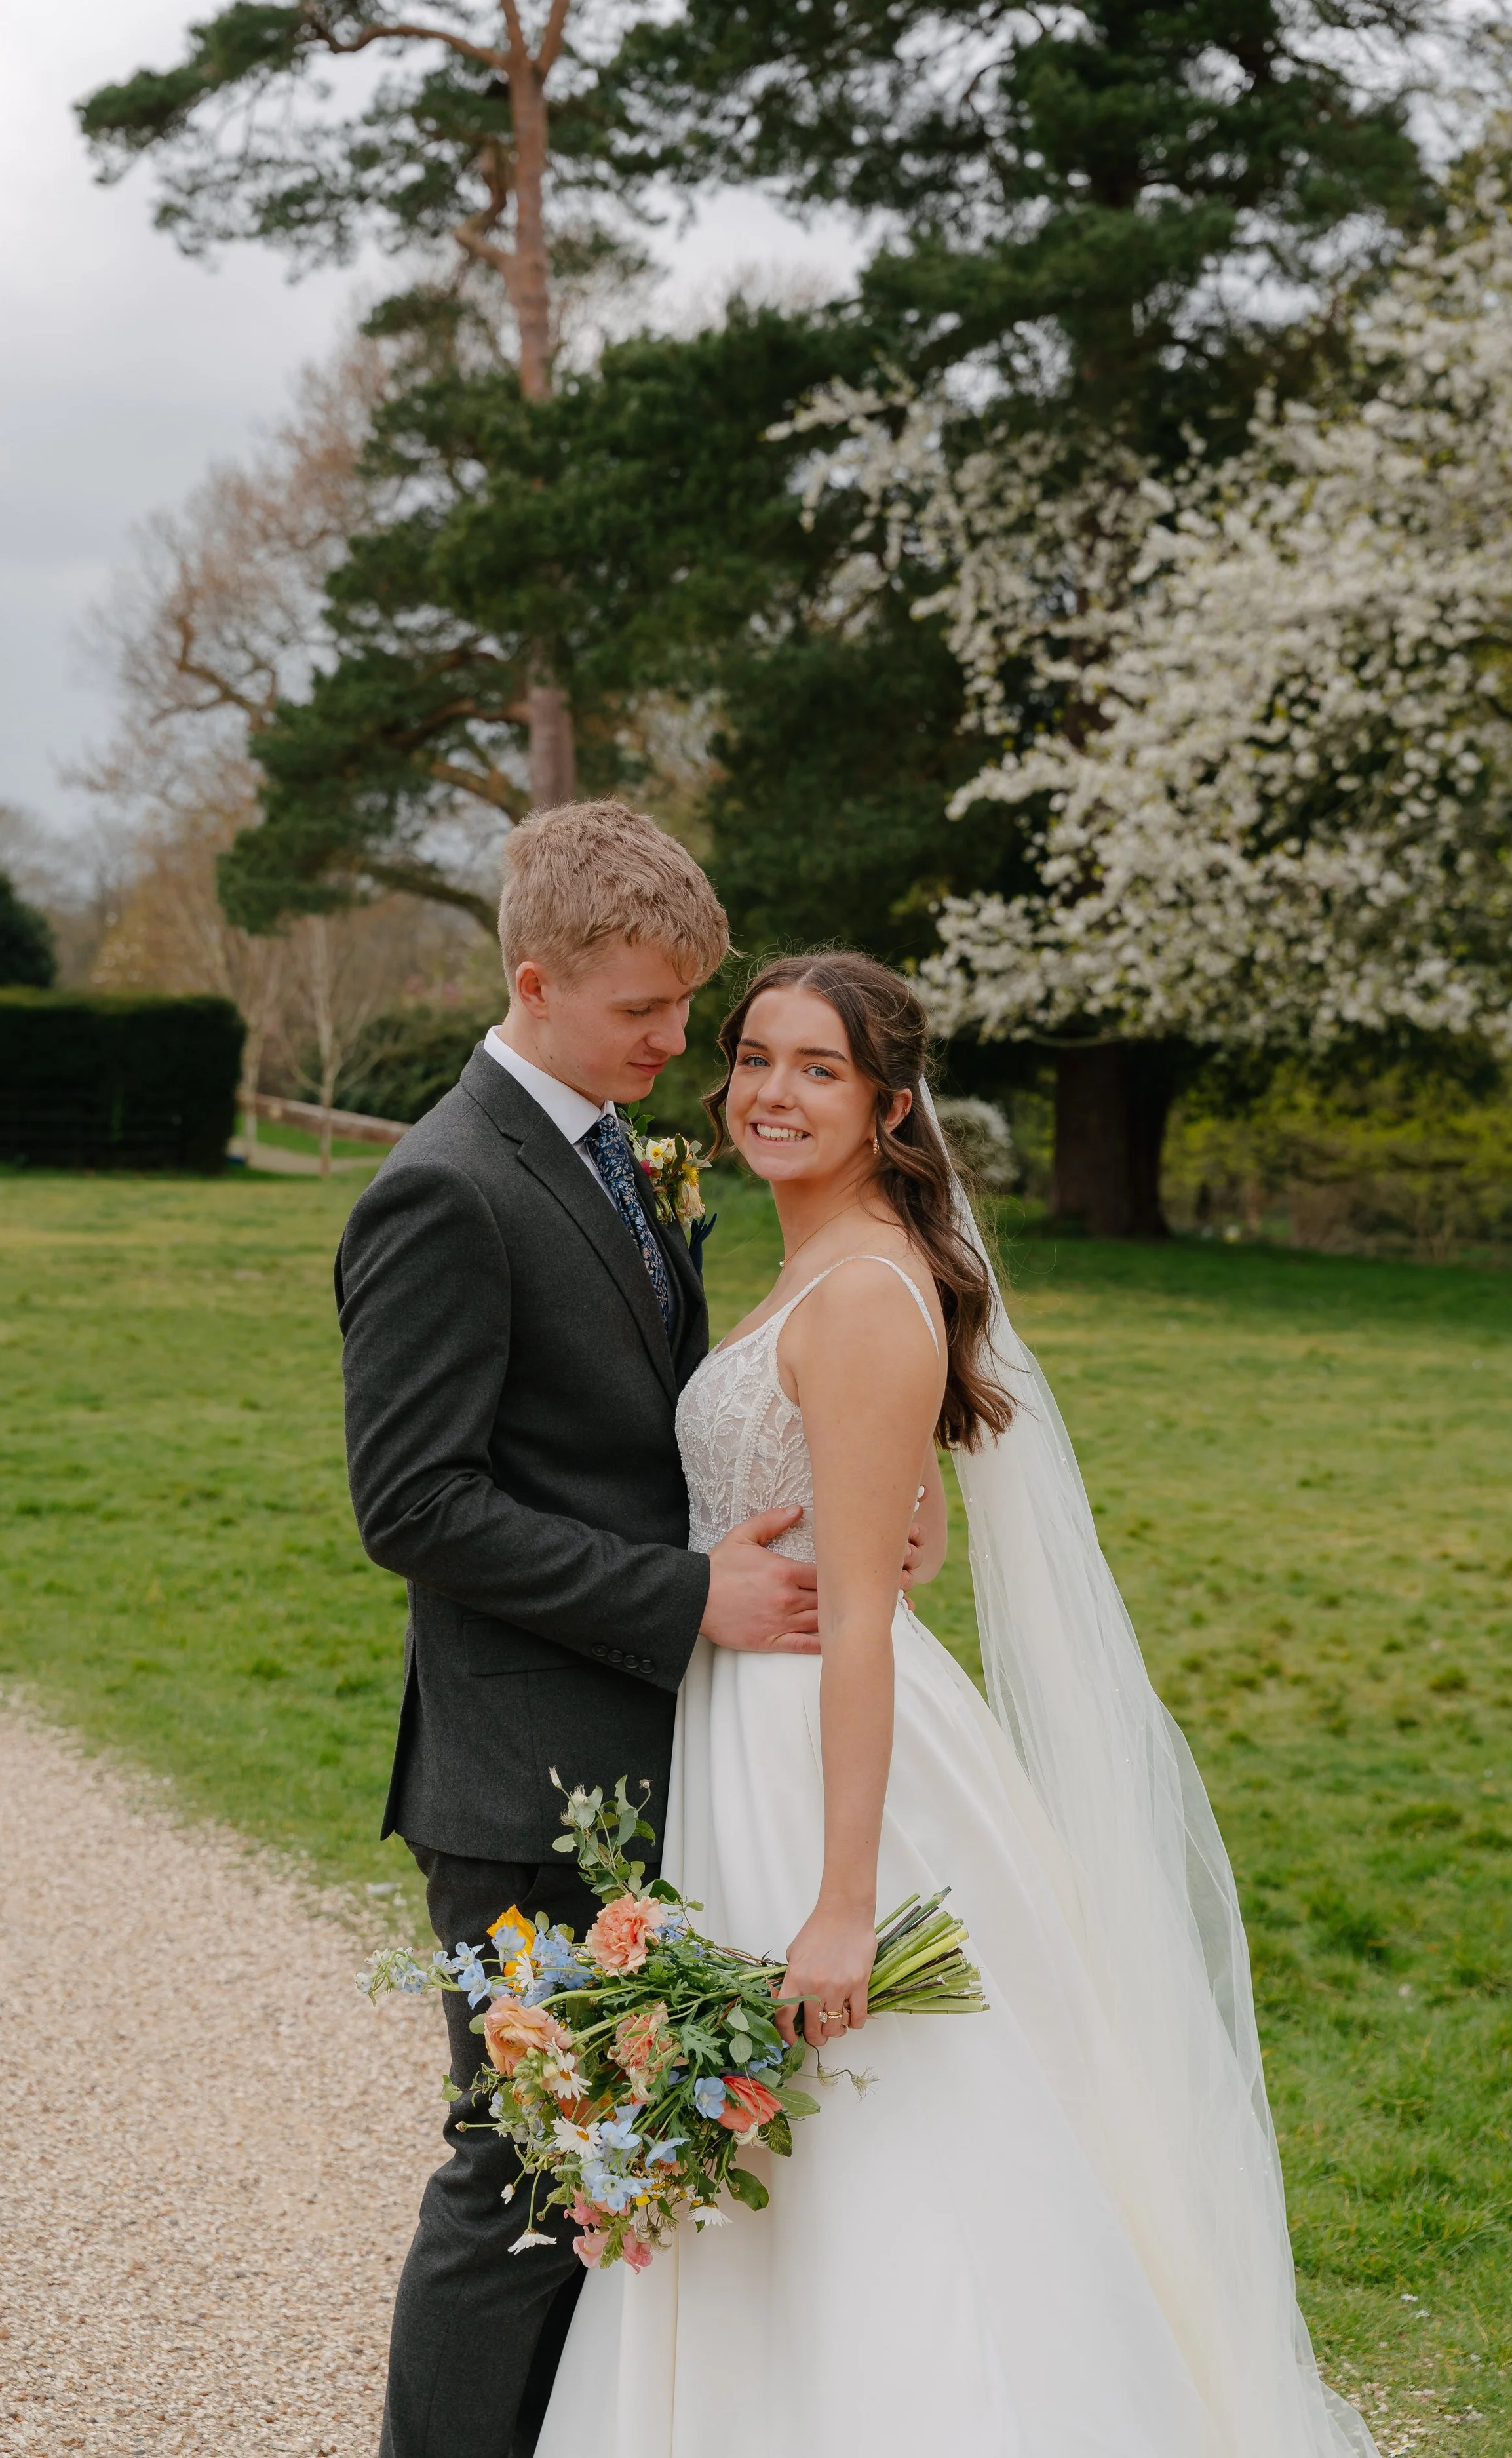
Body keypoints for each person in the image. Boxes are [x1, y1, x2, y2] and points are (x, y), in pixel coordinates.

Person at [536, 952, 1378, 2458]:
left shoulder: (862, 1290)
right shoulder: (806, 1258)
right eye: (752, 1058)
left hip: (825, 1761)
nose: (769, 1093)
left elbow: (862, 1610)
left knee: (887, 2148)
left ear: (889, 1108)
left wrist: (844, 1899)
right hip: (741, 1728)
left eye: (816, 1070)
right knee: (790, 2147)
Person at [337, 810, 921, 2458]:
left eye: (692, 1010)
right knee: (520, 2178)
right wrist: (686, 1596)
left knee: (619, 2170)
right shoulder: (446, 1189)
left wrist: (842, 1501)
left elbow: (648, 1431)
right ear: (534, 980)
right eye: (647, 1015)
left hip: (650, 1749)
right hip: (519, 1782)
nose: (685, 1050)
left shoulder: (601, 1145)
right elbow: (415, 1506)